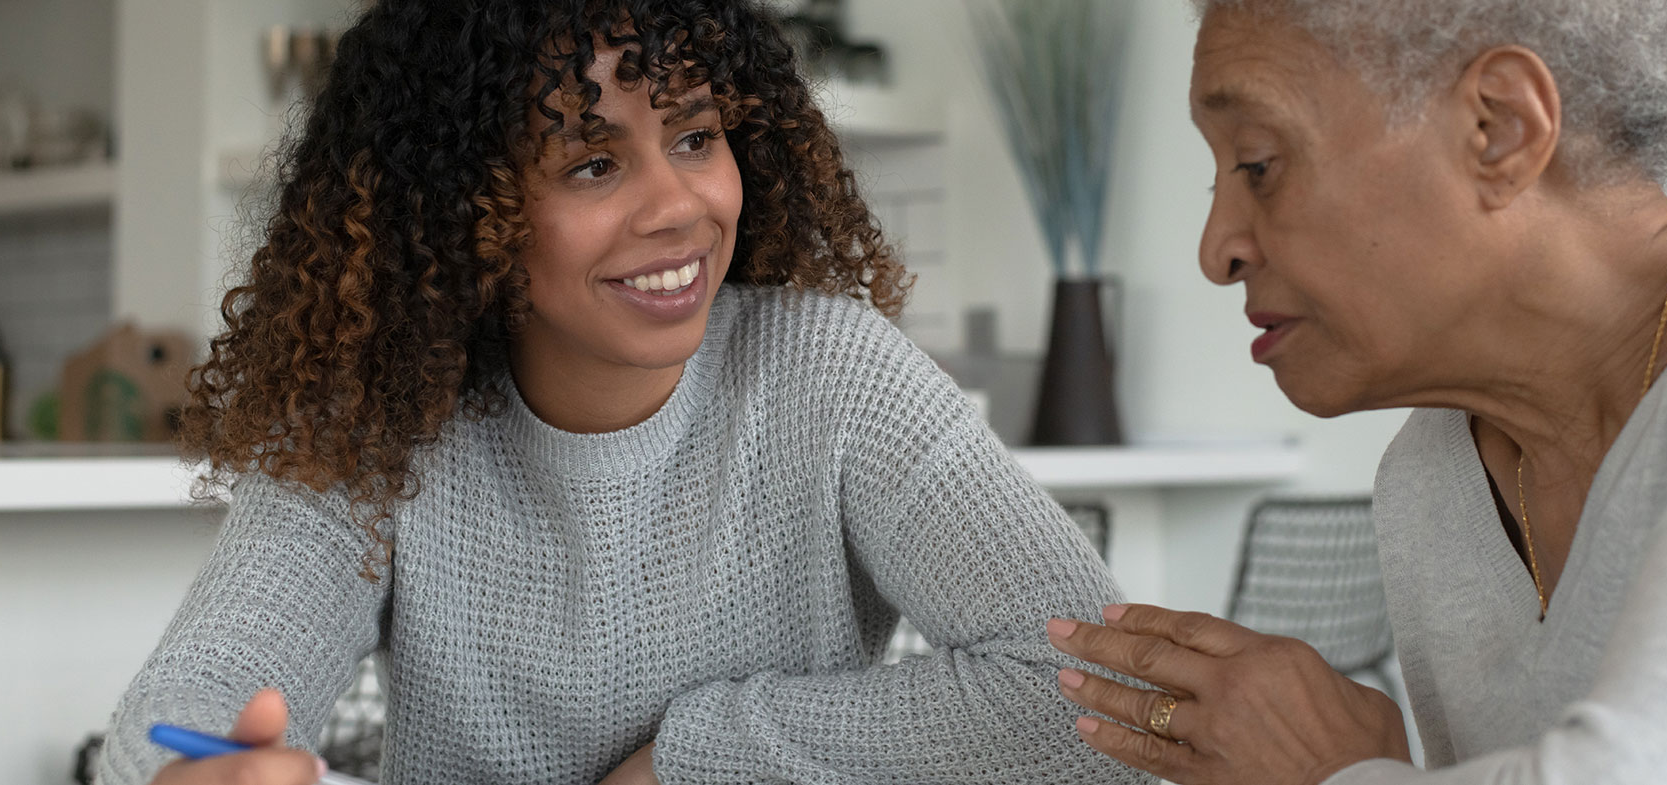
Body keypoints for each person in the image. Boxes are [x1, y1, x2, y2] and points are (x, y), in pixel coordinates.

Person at [92, 2, 1142, 784]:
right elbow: (180, 706)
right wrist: (200, 768)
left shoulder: (834, 375)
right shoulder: (380, 419)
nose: (677, 206)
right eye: (595, 163)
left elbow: (1111, 697)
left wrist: (695, 759)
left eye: (695, 136)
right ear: (470, 214)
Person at [1046, 0, 1667, 783]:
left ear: (1498, 129)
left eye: (1259, 164)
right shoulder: (1433, 477)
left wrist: (1330, 770)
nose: (1217, 251)